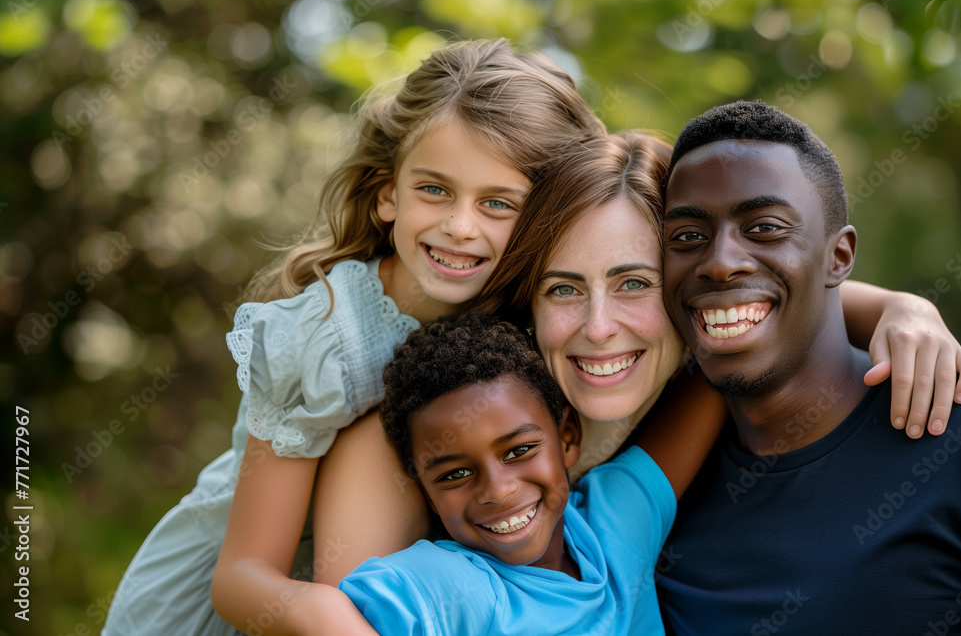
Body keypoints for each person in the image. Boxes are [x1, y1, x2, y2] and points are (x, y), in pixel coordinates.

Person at [308, 127, 961, 595]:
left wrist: (899, 308)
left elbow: (776, 299)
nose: (599, 329)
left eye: (634, 283)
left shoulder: (714, 390)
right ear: (527, 301)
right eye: (563, 289)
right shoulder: (435, 430)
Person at [102, 38, 606, 636]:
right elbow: (241, 577)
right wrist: (330, 615)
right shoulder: (324, 339)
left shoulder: (535, 313)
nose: (460, 225)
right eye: (434, 190)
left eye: (498, 203)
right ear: (388, 193)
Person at [655, 100, 961, 633]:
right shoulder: (665, 483)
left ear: (838, 257)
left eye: (764, 227)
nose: (720, 262)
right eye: (686, 237)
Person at [329, 312, 724, 635]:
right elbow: (321, 609)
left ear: (568, 438)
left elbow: (719, 365)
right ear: (427, 493)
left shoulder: (616, 523)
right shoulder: (455, 587)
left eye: (518, 451)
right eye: (455, 474)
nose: (498, 490)